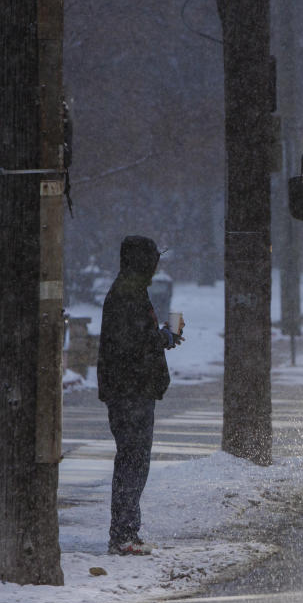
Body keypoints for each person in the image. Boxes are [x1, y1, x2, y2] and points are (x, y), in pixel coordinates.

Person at [97, 235, 183, 555]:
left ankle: (125, 531)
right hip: (130, 390)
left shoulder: (128, 291)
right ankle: (124, 534)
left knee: (132, 461)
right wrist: (164, 336)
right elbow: (134, 344)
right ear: (142, 262)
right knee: (133, 462)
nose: (155, 268)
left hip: (129, 389)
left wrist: (162, 337)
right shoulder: (128, 294)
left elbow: (135, 340)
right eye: (152, 261)